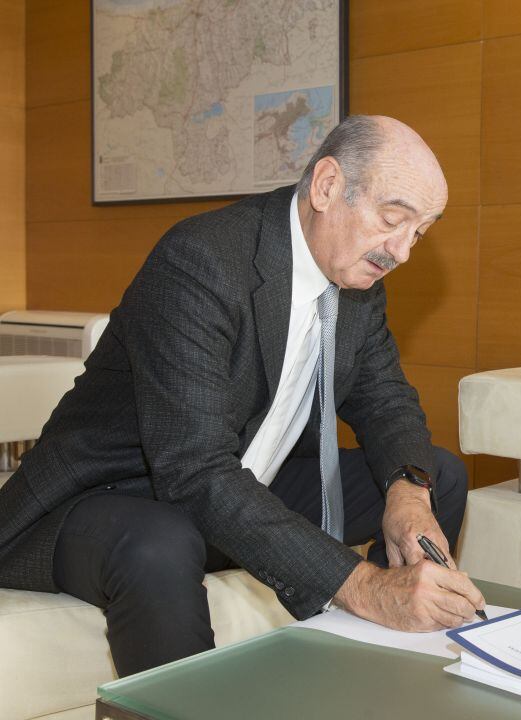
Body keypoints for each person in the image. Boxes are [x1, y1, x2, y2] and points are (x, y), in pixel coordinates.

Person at [0, 115, 486, 676]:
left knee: (436, 476)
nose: (401, 251)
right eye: (393, 219)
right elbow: (193, 471)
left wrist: (409, 493)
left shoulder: (355, 275)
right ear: (326, 186)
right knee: (160, 541)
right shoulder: (202, 261)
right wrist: (365, 586)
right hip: (113, 497)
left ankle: (369, 668)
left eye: (419, 233)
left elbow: (385, 401)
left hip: (239, 483)